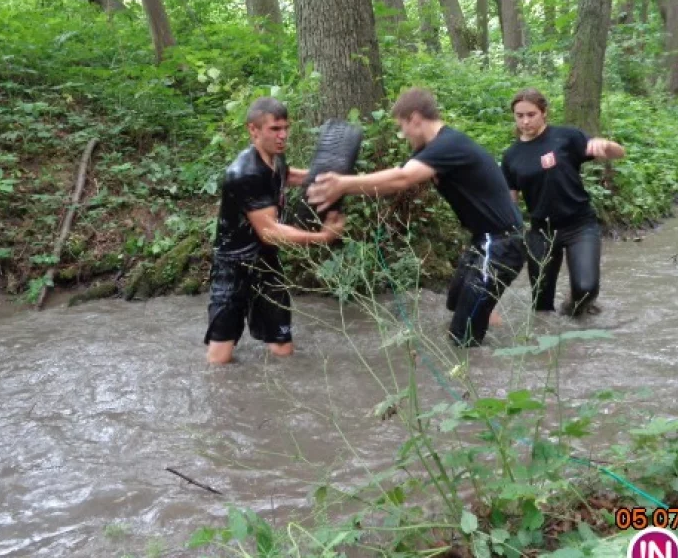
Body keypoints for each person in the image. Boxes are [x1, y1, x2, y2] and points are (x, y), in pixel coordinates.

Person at [307, 87, 525, 348]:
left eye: (403, 127)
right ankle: (485, 316)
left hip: (501, 244)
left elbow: (402, 179)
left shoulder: (448, 144)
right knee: (456, 301)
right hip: (484, 241)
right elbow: (396, 175)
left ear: (416, 118)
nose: (403, 135)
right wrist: (307, 178)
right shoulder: (433, 149)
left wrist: (343, 185)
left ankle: (488, 364)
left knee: (462, 339)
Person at [205, 97, 345, 365]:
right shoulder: (244, 173)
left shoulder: (275, 158)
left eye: (285, 128)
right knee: (219, 361)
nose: (282, 136)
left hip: (267, 264)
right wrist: (323, 237)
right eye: (274, 129)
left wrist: (331, 181)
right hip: (233, 268)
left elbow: (288, 175)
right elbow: (269, 231)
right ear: (253, 130)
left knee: (283, 349)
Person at [501, 88, 625, 316]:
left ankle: (571, 312)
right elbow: (510, 202)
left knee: (586, 289)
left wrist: (604, 144)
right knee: (541, 306)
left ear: (544, 112)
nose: (525, 121)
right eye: (520, 116)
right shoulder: (511, 156)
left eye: (531, 114)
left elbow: (619, 153)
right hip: (541, 232)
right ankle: (548, 342)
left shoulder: (566, 137)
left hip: (579, 225)